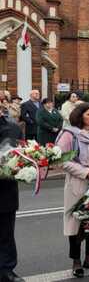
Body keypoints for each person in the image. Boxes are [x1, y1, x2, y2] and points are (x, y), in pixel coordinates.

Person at [56, 103, 89, 278]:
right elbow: (62, 160)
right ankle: (76, 261)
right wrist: (87, 172)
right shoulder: (69, 134)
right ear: (80, 116)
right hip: (78, 184)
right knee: (76, 224)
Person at [0, 115, 25, 282]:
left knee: (6, 234)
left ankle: (6, 270)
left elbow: (23, 156)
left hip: (5, 191)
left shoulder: (13, 128)